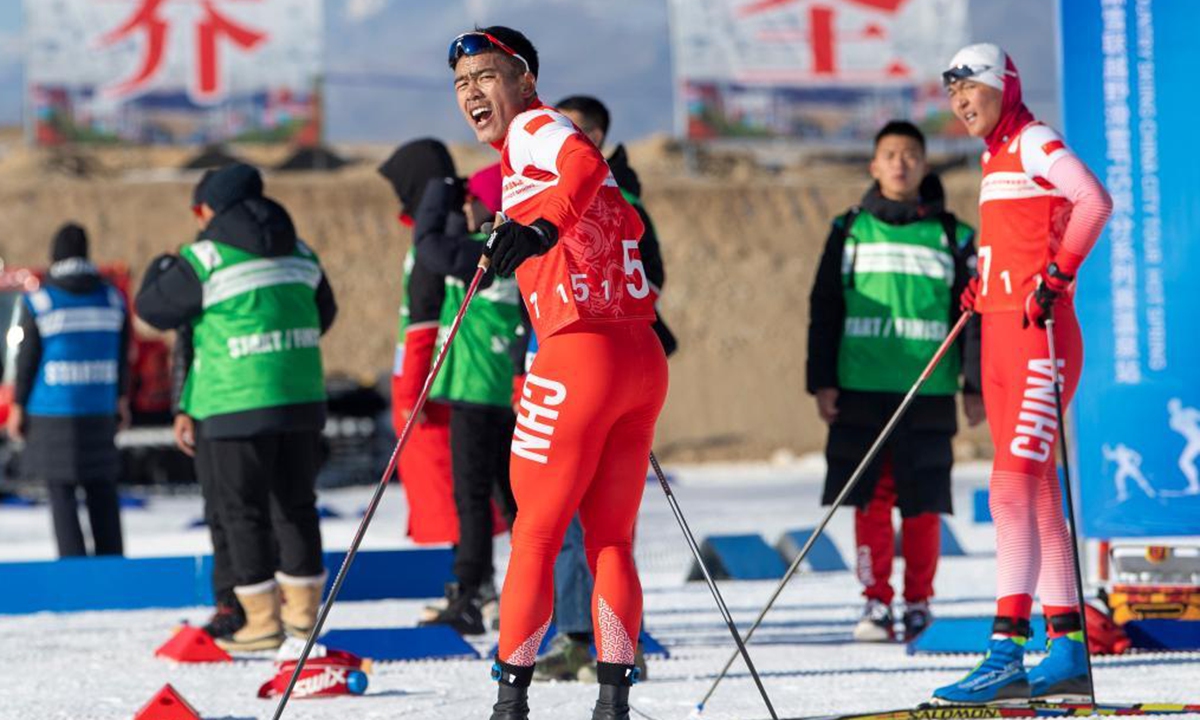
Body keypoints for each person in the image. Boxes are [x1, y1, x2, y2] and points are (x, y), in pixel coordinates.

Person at [448, 26, 668, 720]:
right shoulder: (527, 159)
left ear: (525, 80)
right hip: (638, 358)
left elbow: (578, 162)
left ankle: (510, 703)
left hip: (580, 356)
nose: (473, 93)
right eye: (461, 85)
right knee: (611, 539)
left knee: (537, 532)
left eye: (487, 76)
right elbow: (616, 215)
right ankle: (612, 701)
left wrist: (542, 230)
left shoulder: (538, 130)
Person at [933, 43, 1112, 705]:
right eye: (952, 95)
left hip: (1039, 339)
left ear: (1000, 87)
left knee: (1007, 491)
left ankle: (1006, 649)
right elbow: (1020, 236)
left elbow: (1093, 202)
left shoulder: (1034, 140)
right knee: (1033, 495)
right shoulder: (993, 157)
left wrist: (1057, 276)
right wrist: (989, 282)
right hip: (1000, 335)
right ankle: (1066, 649)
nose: (959, 103)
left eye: (969, 89)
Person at [136, 163, 338, 652]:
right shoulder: (301, 249)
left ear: (210, 209)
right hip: (301, 397)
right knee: (296, 506)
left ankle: (260, 623)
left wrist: (162, 268)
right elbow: (324, 313)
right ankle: (303, 619)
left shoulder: (204, 258)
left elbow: (151, 309)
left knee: (241, 511)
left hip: (234, 403)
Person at [807, 120, 983, 643]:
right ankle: (876, 602)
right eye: (890, 154)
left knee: (925, 503)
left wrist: (972, 386)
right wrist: (822, 381)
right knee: (869, 500)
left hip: (927, 390)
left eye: (910, 154)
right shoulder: (849, 229)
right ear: (874, 165)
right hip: (861, 385)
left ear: (925, 165)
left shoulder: (956, 235)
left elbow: (972, 316)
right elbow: (824, 306)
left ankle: (920, 601)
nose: (900, 163)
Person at [533, 94, 674, 682]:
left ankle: (618, 641)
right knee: (557, 512)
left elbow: (651, 277)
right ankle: (571, 635)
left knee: (610, 520)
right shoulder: (542, 194)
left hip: (612, 361)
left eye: (581, 131)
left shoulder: (622, 197)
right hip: (555, 362)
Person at [410, 160, 523, 636]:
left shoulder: (482, 251)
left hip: (475, 390)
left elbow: (428, 248)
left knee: (472, 499)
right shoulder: (524, 253)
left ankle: (471, 592)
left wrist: (438, 190)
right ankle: (537, 587)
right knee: (514, 499)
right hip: (509, 388)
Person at [9, 223, 130, 558]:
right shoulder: (111, 298)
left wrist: (18, 406)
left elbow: (27, 359)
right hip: (100, 407)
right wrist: (122, 399)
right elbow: (123, 356)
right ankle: (112, 564)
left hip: (52, 411)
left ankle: (73, 566)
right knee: (102, 490)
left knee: (61, 493)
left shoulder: (40, 300)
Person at [171, 171, 245, 641]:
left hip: (234, 399)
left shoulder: (217, 256)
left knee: (240, 508)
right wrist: (182, 404)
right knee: (224, 509)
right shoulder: (200, 259)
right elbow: (184, 337)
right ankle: (230, 600)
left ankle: (250, 605)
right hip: (209, 399)